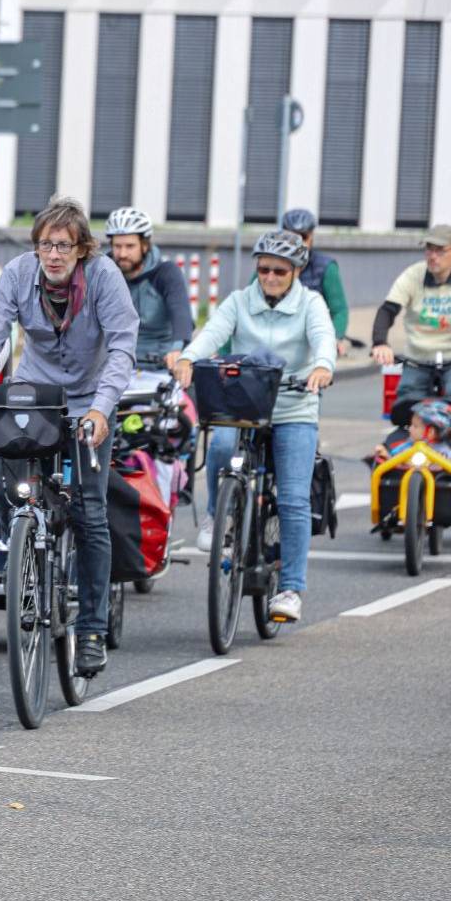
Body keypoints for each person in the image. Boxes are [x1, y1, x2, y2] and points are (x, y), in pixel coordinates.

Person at [0, 195, 138, 679]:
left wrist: (100, 409)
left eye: (63, 246)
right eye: (44, 245)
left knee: (90, 512)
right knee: (3, 489)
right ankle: (29, 556)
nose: (52, 255)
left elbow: (121, 348)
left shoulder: (104, 278)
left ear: (81, 250)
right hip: (34, 395)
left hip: (90, 401)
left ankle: (92, 629)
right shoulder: (15, 276)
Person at [175, 230, 335, 624]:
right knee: (217, 444)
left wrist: (322, 366)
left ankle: (291, 589)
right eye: (263, 269)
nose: (270, 277)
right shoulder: (239, 301)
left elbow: (323, 338)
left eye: (279, 270)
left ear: (296, 270)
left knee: (294, 499)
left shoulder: (311, 304)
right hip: (243, 403)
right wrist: (189, 358)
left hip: (294, 406)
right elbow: (213, 333)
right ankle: (217, 515)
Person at [370, 224, 451, 410]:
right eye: (429, 250)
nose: (433, 256)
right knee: (406, 403)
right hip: (418, 358)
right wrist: (380, 343)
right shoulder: (412, 275)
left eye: (440, 251)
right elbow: (388, 310)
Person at [104, 207, 193, 366]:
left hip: (159, 365)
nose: (123, 253)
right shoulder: (103, 273)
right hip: (113, 366)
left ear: (144, 246)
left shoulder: (166, 273)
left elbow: (182, 317)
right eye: (117, 246)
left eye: (130, 246)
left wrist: (178, 350)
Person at [280, 208, 351, 355]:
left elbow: (339, 310)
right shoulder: (269, 265)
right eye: (291, 238)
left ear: (311, 236)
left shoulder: (326, 267)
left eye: (303, 237)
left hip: (312, 342)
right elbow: (246, 304)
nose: (297, 244)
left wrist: (335, 337)